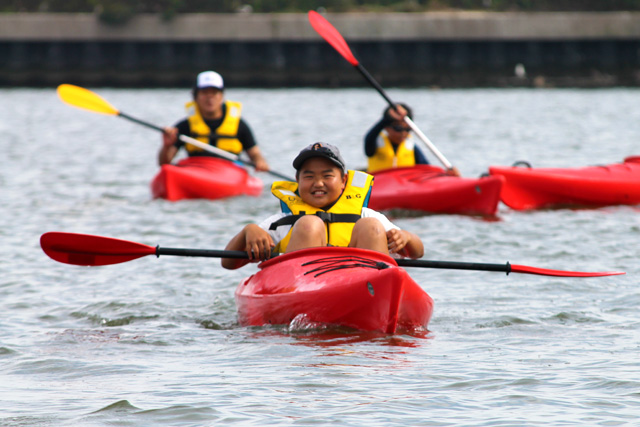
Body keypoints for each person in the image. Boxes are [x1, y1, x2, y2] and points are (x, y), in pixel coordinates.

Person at [221, 142, 424, 269]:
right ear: (297, 180)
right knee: (309, 224)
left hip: (362, 286)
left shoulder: (366, 215)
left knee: (370, 227)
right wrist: (249, 231)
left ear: (344, 181)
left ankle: (377, 294)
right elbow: (228, 263)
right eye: (309, 176)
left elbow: (417, 252)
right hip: (300, 287)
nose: (318, 183)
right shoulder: (279, 223)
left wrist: (406, 237)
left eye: (327, 176)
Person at [158, 70, 269, 171]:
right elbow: (164, 163)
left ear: (221, 96)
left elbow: (254, 153)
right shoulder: (184, 126)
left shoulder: (240, 125)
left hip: (230, 171)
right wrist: (166, 146)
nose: (209, 97)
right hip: (196, 170)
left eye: (214, 93)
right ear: (195, 96)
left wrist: (260, 162)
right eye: (204, 93)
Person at [364, 103, 460, 176]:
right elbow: (369, 137)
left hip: (404, 189)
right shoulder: (375, 144)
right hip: (380, 186)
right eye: (398, 128)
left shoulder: (412, 148)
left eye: (408, 129)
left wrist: (446, 175)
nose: (403, 133)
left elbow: (427, 170)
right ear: (386, 128)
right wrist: (386, 119)